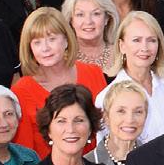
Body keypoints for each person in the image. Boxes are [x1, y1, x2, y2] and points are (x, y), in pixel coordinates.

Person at [12, 10, 110, 155]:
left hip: (99, 163)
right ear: (30, 48)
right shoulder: (21, 91)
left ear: (66, 40)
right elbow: (24, 154)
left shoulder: (93, 73)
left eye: (52, 39)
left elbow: (109, 129)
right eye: (37, 42)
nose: (45, 48)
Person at [108, 12, 164, 142]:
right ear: (122, 46)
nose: (144, 48)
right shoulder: (108, 96)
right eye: (136, 40)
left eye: (151, 40)